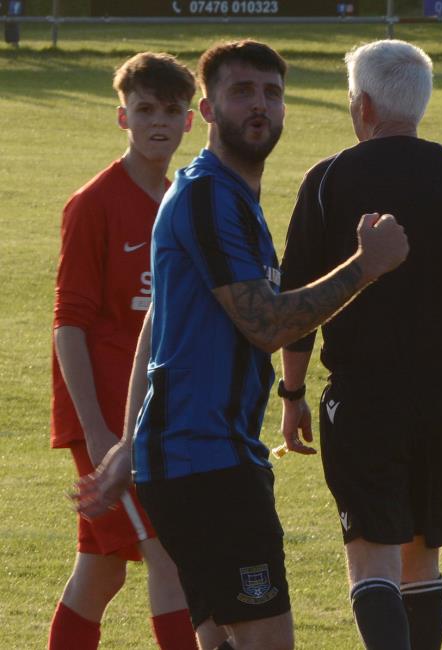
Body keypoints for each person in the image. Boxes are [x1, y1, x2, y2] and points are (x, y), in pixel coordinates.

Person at [73, 39, 409, 650]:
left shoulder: (226, 196)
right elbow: (268, 326)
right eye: (241, 92)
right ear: (206, 110)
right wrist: (367, 266)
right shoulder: (208, 195)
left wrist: (130, 441)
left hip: (191, 462)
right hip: (209, 466)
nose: (260, 105)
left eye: (272, 93)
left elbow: (159, 326)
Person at [278, 39, 442, 650]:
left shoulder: (328, 177)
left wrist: (292, 392)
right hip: (441, 398)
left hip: (363, 401)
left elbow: (297, 298)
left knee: (372, 565)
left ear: (362, 105)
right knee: (422, 563)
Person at [49, 52, 199, 650]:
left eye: (170, 110)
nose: (157, 122)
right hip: (108, 418)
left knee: (104, 567)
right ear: (122, 118)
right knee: (169, 554)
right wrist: (95, 433)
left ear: (191, 121)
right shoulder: (94, 203)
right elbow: (69, 324)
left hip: (153, 410)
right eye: (144, 110)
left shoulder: (179, 201)